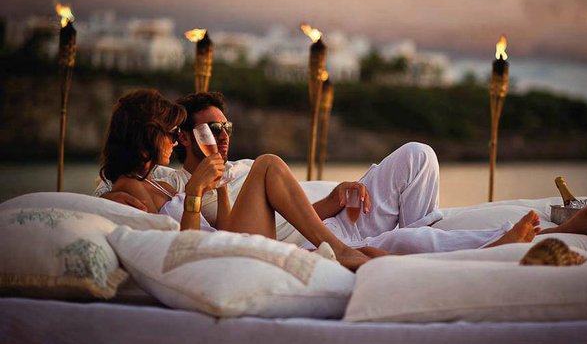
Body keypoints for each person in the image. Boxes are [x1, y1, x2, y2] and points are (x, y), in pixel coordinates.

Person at [98, 91, 587, 254]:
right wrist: (198, 190)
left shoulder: (171, 178)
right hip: (294, 241)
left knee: (418, 154)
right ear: (159, 136)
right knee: (401, 243)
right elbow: (193, 243)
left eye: (225, 126)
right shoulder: (143, 189)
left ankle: (430, 231)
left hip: (313, 221)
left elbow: (231, 221)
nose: (221, 135)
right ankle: (525, 238)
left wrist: (334, 197)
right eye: (175, 132)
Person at [99, 89, 379, 270]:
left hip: (224, 242)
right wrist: (195, 192)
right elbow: (184, 248)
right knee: (267, 164)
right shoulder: (129, 190)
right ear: (147, 135)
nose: (174, 142)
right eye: (170, 134)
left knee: (371, 252)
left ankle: (352, 254)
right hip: (212, 260)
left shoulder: (156, 183)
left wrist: (220, 187)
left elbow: (221, 229)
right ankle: (338, 249)